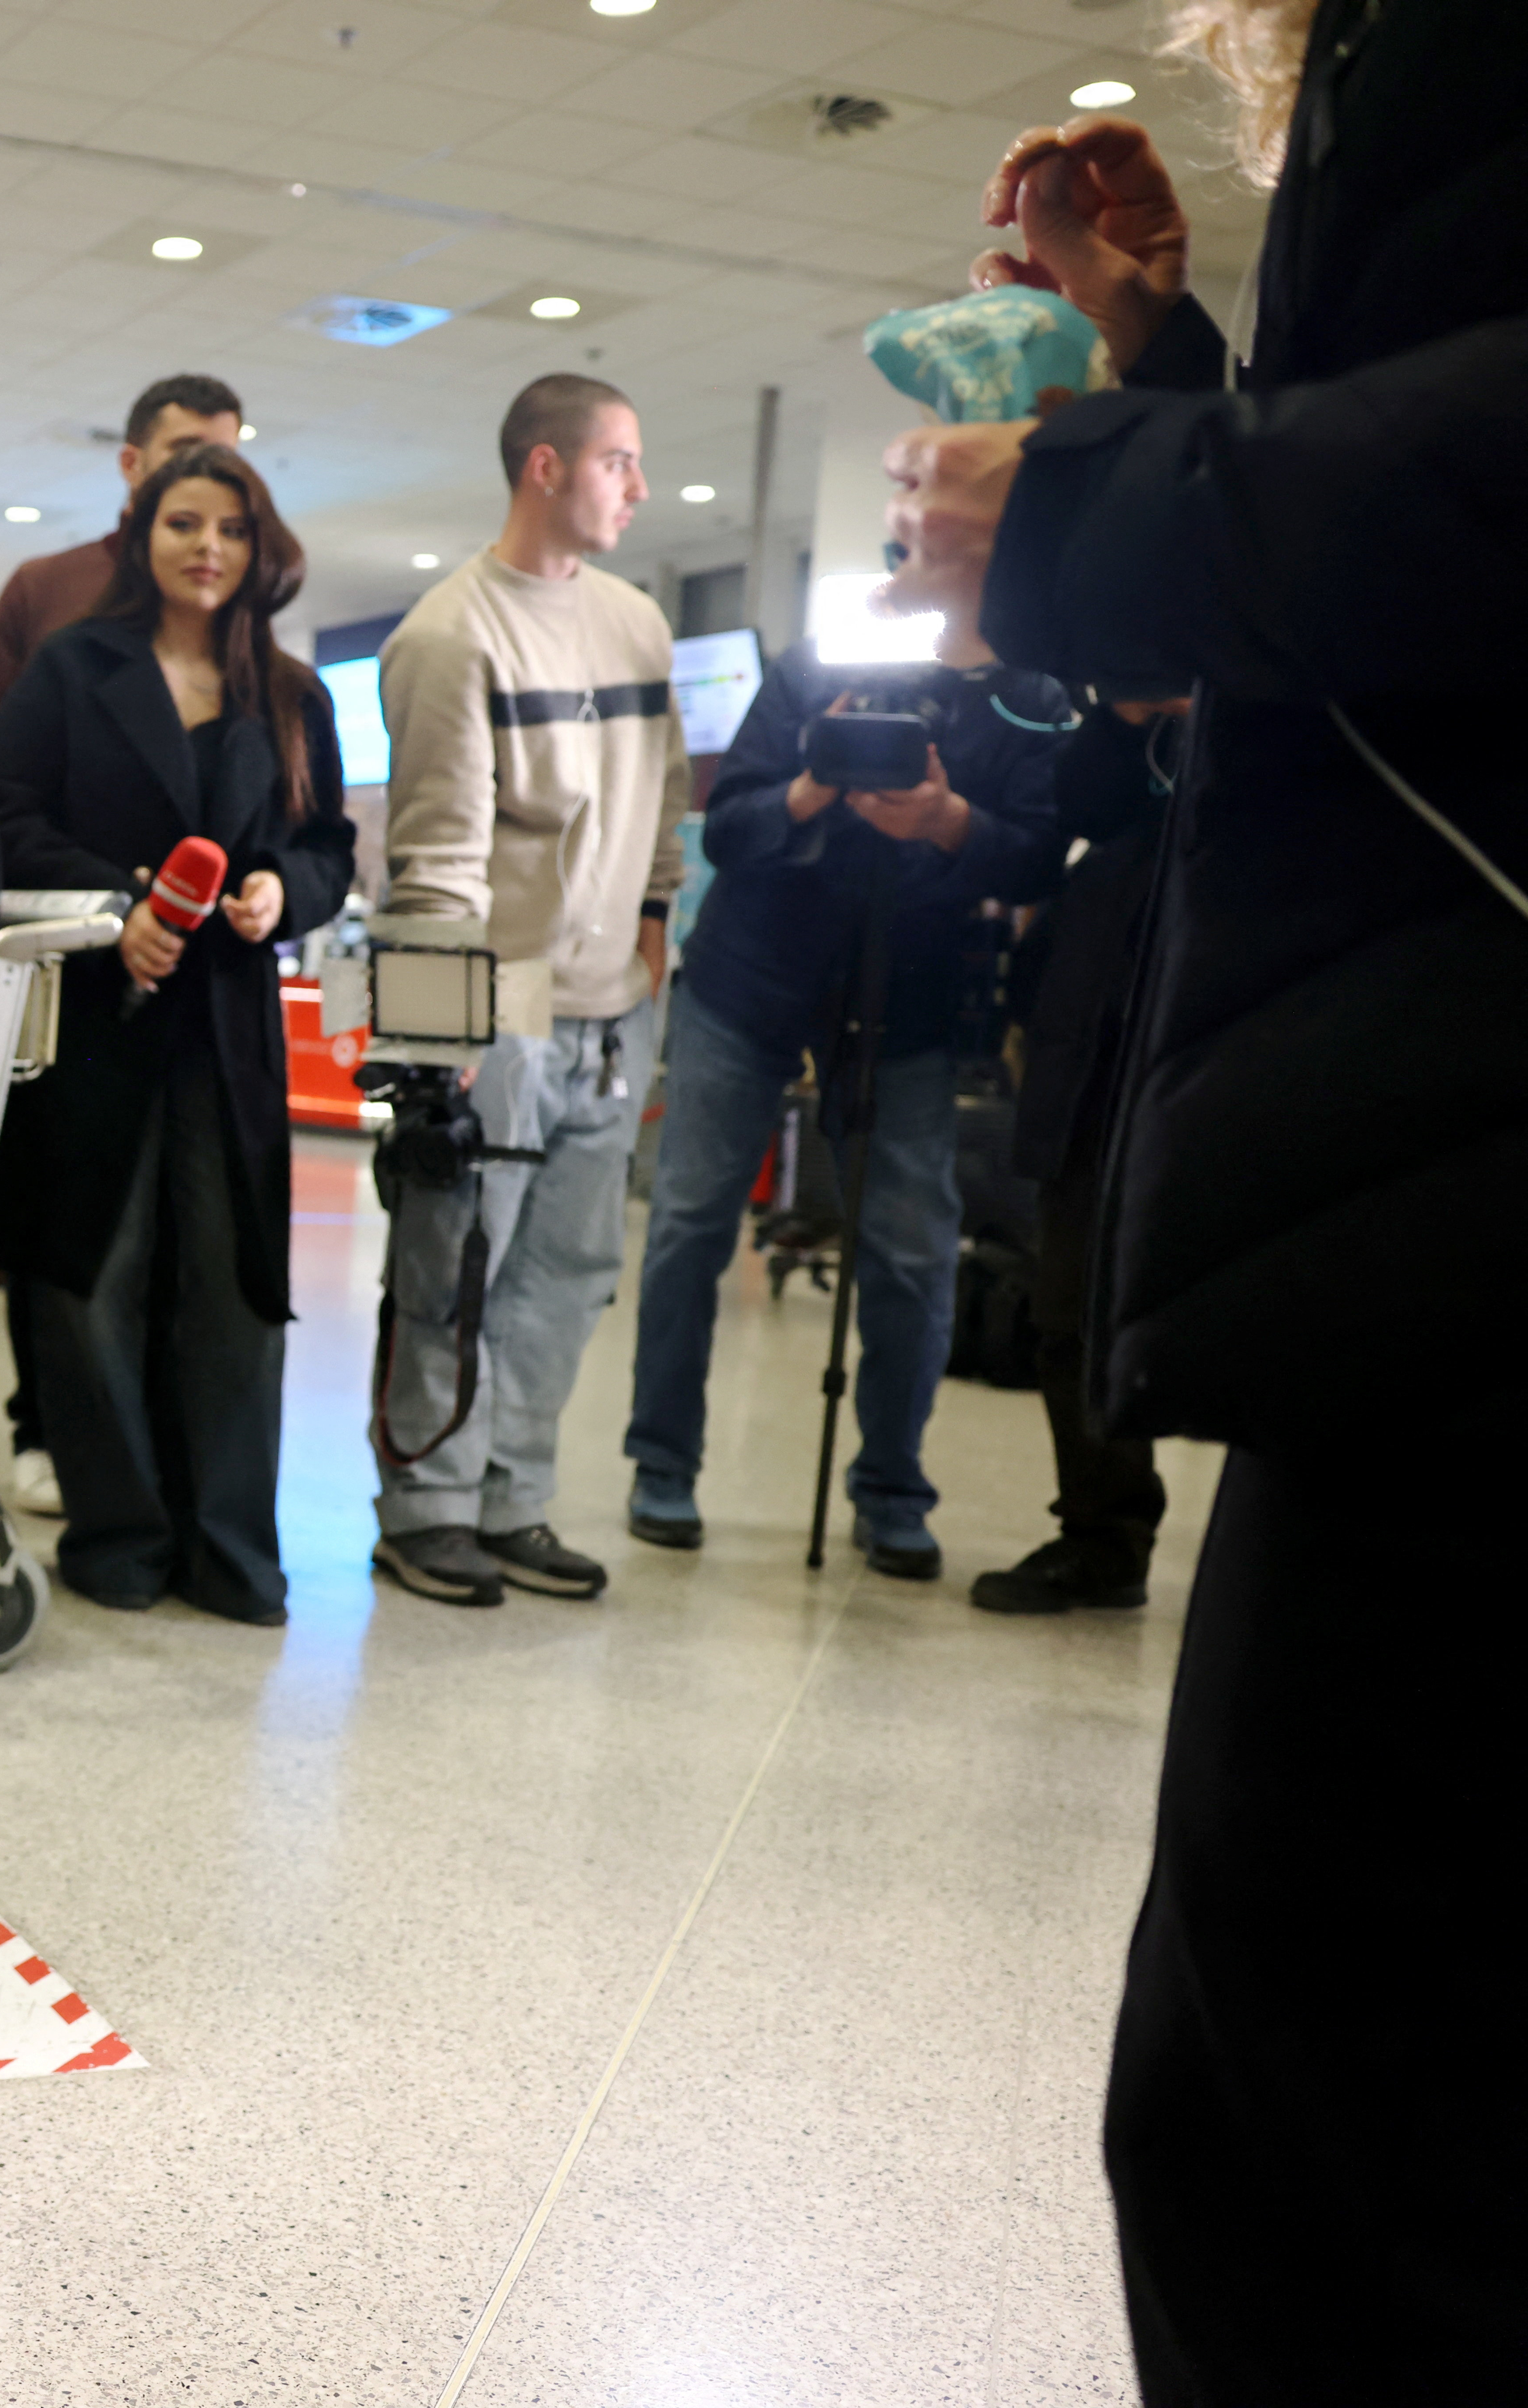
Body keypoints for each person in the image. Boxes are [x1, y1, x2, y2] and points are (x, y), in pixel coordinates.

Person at [877, 23, 1528, 2387]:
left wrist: (1110, 498)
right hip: (1412, 1158)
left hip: (1470, 1163)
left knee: (1320, 2144)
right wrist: (1182, 376)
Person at [0, 446, 355, 1627]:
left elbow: (329, 846)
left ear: (261, 548)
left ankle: (233, 1548)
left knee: (230, 1284)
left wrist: (284, 892)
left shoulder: (291, 693)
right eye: (184, 524)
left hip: (229, 1022)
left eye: (232, 529)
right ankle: (121, 1535)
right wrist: (115, 904)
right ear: (142, 536)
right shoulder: (76, 668)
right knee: (92, 1274)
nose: (209, 548)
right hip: (99, 1010)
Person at [621, 652, 1070, 1578]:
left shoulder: (1027, 697)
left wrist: (946, 819)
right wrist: (811, 786)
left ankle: (892, 1485)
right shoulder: (810, 669)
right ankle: (661, 1461)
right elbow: (728, 831)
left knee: (911, 1249)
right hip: (747, 978)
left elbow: (1036, 854)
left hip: (906, 997)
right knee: (689, 1222)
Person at [368, 373, 687, 1610]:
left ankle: (514, 1498)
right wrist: (436, 1043)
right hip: (496, 1011)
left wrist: (656, 922)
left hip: (615, 1012)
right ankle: (428, 1508)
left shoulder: (640, 625)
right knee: (455, 1267)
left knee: (567, 1271)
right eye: (620, 461)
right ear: (545, 468)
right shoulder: (451, 634)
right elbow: (435, 856)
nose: (640, 488)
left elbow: (663, 799)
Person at [0, 373, 245, 1520]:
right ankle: (45, 1422)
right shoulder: (53, 596)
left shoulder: (243, 631)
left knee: (180, 1230)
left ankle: (155, 1449)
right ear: (135, 469)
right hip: (71, 957)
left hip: (201, 982)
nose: (206, 507)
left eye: (227, 476)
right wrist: (100, 893)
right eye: (182, 466)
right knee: (62, 1205)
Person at [967, 700, 1179, 1615]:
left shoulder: (1273, 672)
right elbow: (1080, 807)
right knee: (1071, 1301)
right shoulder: (1123, 688)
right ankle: (1102, 1535)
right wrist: (1127, 715)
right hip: (1099, 1029)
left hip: (1228, 1015)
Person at [0, 373, 246, 772]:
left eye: (223, 457)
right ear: (132, 463)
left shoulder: (237, 595)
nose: (204, 473)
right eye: (183, 452)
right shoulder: (45, 586)